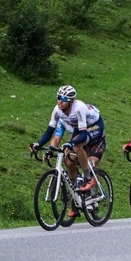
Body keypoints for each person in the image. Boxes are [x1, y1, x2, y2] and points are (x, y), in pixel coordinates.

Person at [29, 85, 107, 216]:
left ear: (70, 101)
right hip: (80, 128)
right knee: (69, 161)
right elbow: (50, 132)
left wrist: (70, 143)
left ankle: (88, 176)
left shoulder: (79, 108)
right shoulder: (57, 111)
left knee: (77, 147)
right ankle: (76, 197)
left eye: (63, 99)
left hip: (94, 127)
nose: (60, 101)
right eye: (58, 97)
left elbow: (82, 134)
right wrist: (39, 144)